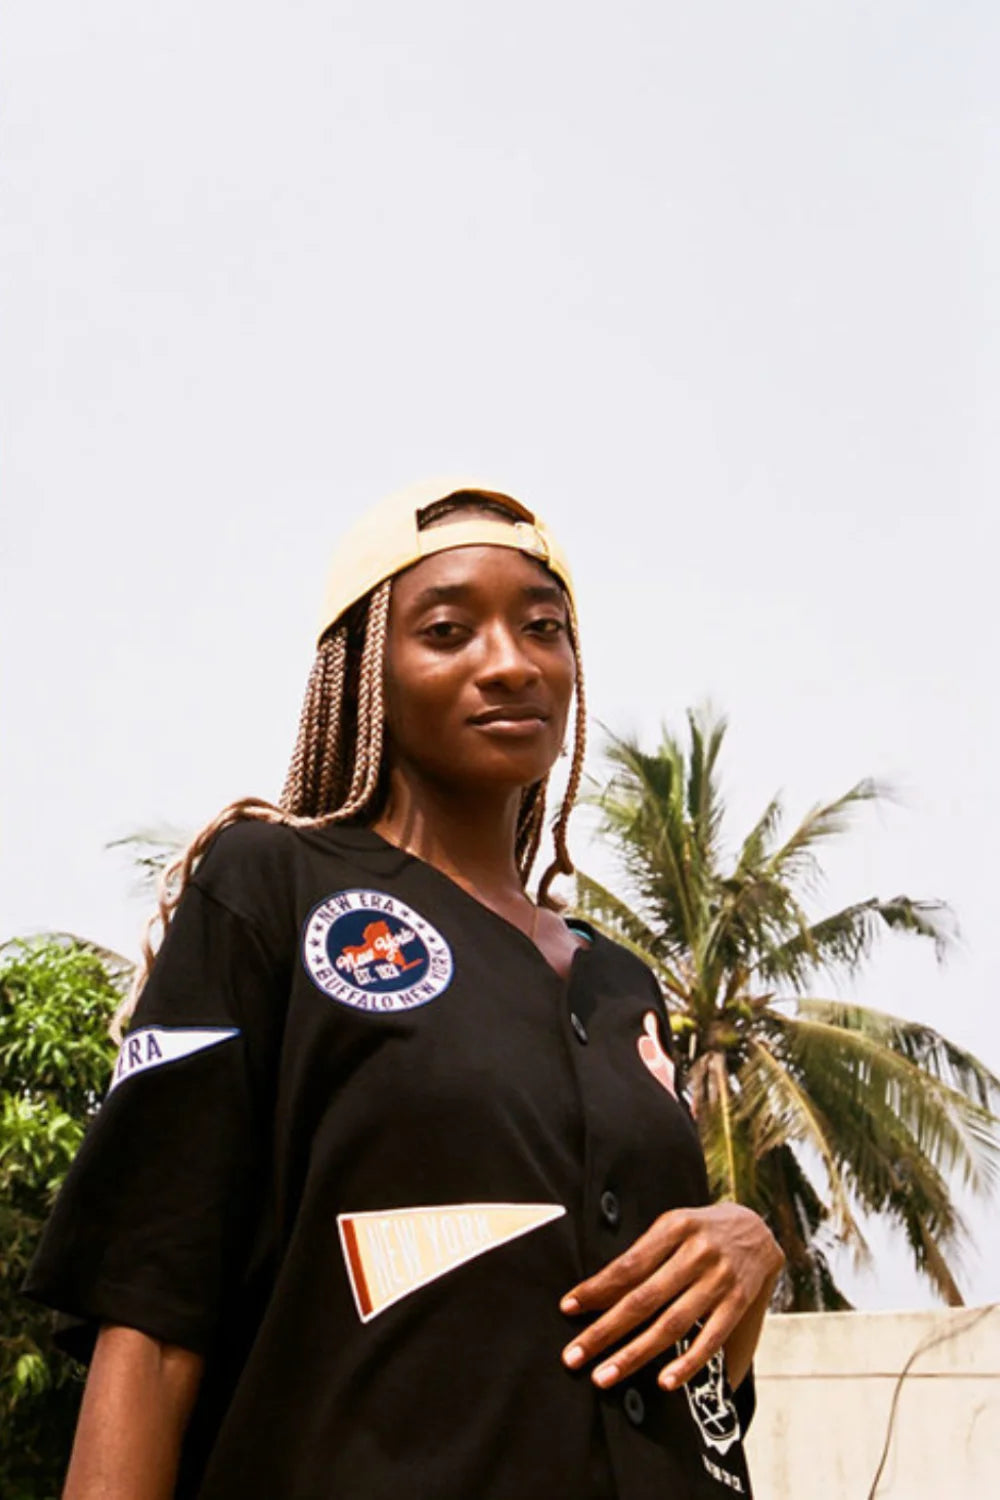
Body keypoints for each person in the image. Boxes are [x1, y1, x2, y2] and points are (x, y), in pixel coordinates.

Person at [26, 479, 784, 1500]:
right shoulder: (270, 888)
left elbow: (666, 1369)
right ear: (363, 670)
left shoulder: (618, 983)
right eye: (447, 630)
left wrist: (743, 1256)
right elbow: (153, 1314)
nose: (510, 662)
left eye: (543, 628)